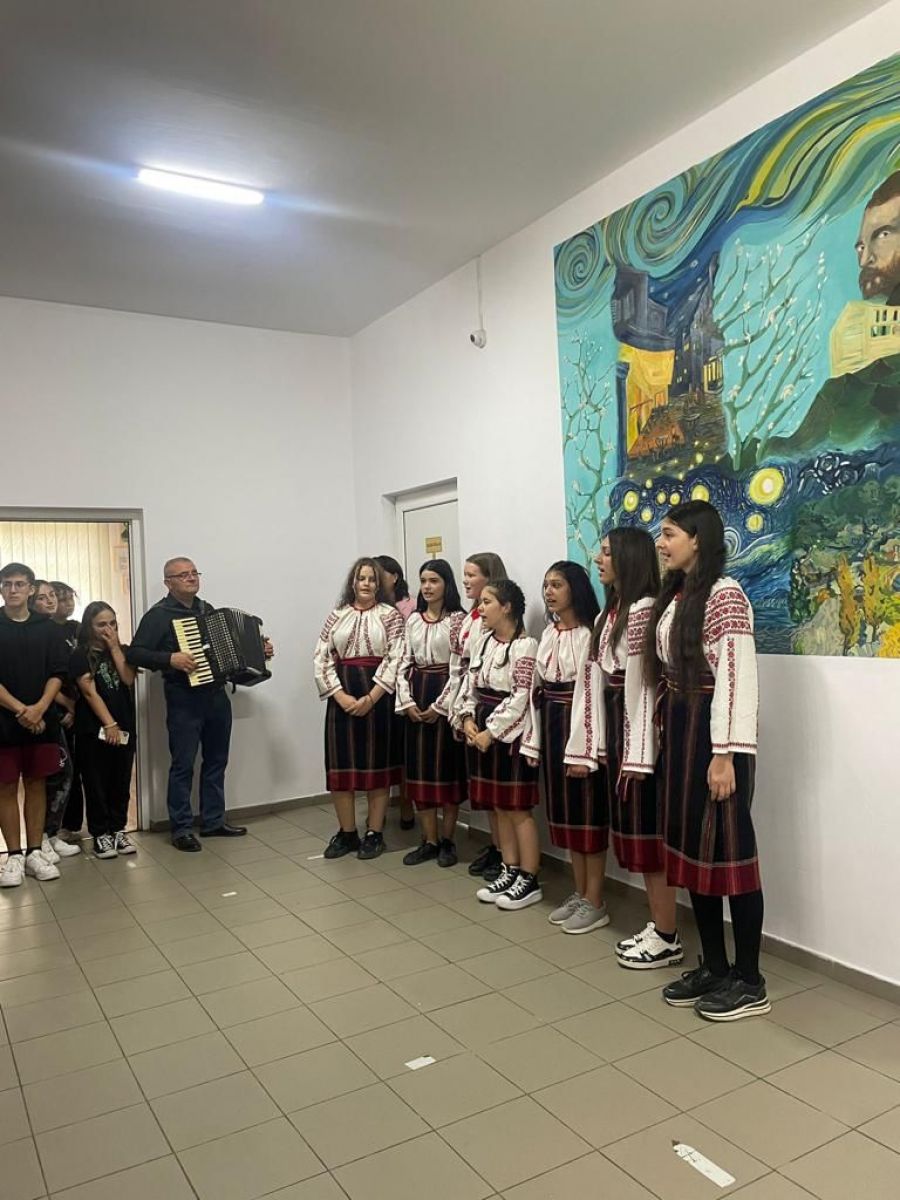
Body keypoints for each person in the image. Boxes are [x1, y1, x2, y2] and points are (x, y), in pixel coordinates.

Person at [644, 500, 768, 1020]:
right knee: (693, 856)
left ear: (698, 539)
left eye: (670, 533)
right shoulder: (677, 596)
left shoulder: (725, 596)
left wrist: (724, 757)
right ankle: (715, 966)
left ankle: (750, 980)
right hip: (682, 731)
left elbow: (736, 680)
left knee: (730, 856)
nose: (661, 543)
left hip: (714, 741)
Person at [574, 529, 682, 968]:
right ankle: (659, 927)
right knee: (637, 835)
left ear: (627, 558)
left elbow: (644, 685)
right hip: (619, 724)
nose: (599, 560)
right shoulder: (611, 612)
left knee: (651, 838)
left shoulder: (642, 610)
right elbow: (596, 677)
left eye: (606, 553)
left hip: (640, 733)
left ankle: (667, 934)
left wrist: (640, 752)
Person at [127, 558, 271, 851]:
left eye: (194, 573)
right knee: (183, 764)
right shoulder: (158, 615)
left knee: (217, 761)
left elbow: (229, 652)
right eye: (183, 575)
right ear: (168, 582)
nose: (191, 578)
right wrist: (170, 659)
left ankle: (213, 821)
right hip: (183, 699)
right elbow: (135, 653)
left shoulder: (208, 610)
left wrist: (260, 649)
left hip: (216, 696)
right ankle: (181, 829)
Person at [522, 561, 607, 933]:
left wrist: (585, 746)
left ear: (575, 588)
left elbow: (592, 692)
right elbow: (537, 685)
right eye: (546, 586)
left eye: (557, 584)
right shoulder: (549, 633)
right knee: (567, 815)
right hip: (553, 724)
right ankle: (579, 890)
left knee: (588, 815)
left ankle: (596, 899)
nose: (549, 592)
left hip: (580, 724)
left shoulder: (590, 634)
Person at [457, 579, 541, 910]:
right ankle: (510, 867)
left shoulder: (525, 646)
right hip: (482, 725)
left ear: (506, 607)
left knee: (517, 808)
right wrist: (467, 717)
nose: (481, 608)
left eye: (488, 602)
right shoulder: (483, 642)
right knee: (498, 806)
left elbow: (521, 696)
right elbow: (470, 683)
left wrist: (490, 732)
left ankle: (529, 878)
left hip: (510, 733)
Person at [314, 557, 405, 860]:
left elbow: (396, 658)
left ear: (379, 584)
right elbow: (322, 657)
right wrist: (340, 696)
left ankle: (374, 833)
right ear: (352, 582)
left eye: (372, 579)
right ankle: (347, 833)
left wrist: (371, 697)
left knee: (376, 766)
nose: (366, 583)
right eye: (361, 578)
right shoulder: (337, 616)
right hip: (341, 696)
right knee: (341, 767)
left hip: (377, 697)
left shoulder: (390, 616)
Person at [0, 562, 68, 886]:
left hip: (42, 721)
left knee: (37, 783)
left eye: (19, 584)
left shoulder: (48, 628)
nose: (12, 590)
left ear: (30, 589)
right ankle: (13, 856)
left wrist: (39, 709)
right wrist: (21, 710)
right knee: (5, 787)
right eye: (6, 584)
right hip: (3, 721)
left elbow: (57, 672)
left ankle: (35, 852)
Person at [396, 560, 466, 868]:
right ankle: (429, 840)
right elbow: (402, 662)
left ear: (446, 584)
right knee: (420, 770)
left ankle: (448, 839)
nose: (427, 586)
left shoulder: (458, 620)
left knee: (447, 769)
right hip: (417, 691)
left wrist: (440, 706)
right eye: (423, 580)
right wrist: (407, 701)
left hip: (446, 694)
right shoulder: (413, 620)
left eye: (434, 580)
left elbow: (461, 668)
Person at [447, 551, 508, 881]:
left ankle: (505, 854)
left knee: (500, 795)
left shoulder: (495, 623)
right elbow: (459, 665)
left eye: (472, 575)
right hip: (468, 705)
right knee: (484, 791)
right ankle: (497, 847)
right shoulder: (469, 617)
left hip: (492, 709)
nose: (466, 580)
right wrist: (459, 712)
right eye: (465, 574)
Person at [71, 602, 138, 859]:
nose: (108, 629)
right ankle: (100, 834)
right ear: (89, 626)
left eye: (112, 623)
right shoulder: (80, 654)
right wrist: (109, 724)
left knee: (121, 780)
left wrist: (114, 647)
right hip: (94, 729)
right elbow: (89, 692)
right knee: (96, 782)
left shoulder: (122, 651)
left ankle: (118, 829)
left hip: (125, 726)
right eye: (101, 624)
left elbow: (128, 678)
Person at [29, 582, 81, 860]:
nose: (51, 601)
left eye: (53, 596)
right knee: (45, 777)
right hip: (40, 712)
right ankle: (38, 840)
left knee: (64, 774)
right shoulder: (31, 632)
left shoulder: (61, 631)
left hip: (59, 712)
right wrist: (66, 704)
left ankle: (51, 833)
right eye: (43, 597)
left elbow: (62, 672)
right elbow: (42, 677)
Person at [375, 554, 416, 830]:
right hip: (377, 684)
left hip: (402, 684)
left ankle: (406, 805)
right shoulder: (372, 606)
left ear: (395, 576)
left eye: (380, 574)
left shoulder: (409, 607)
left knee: (403, 751)